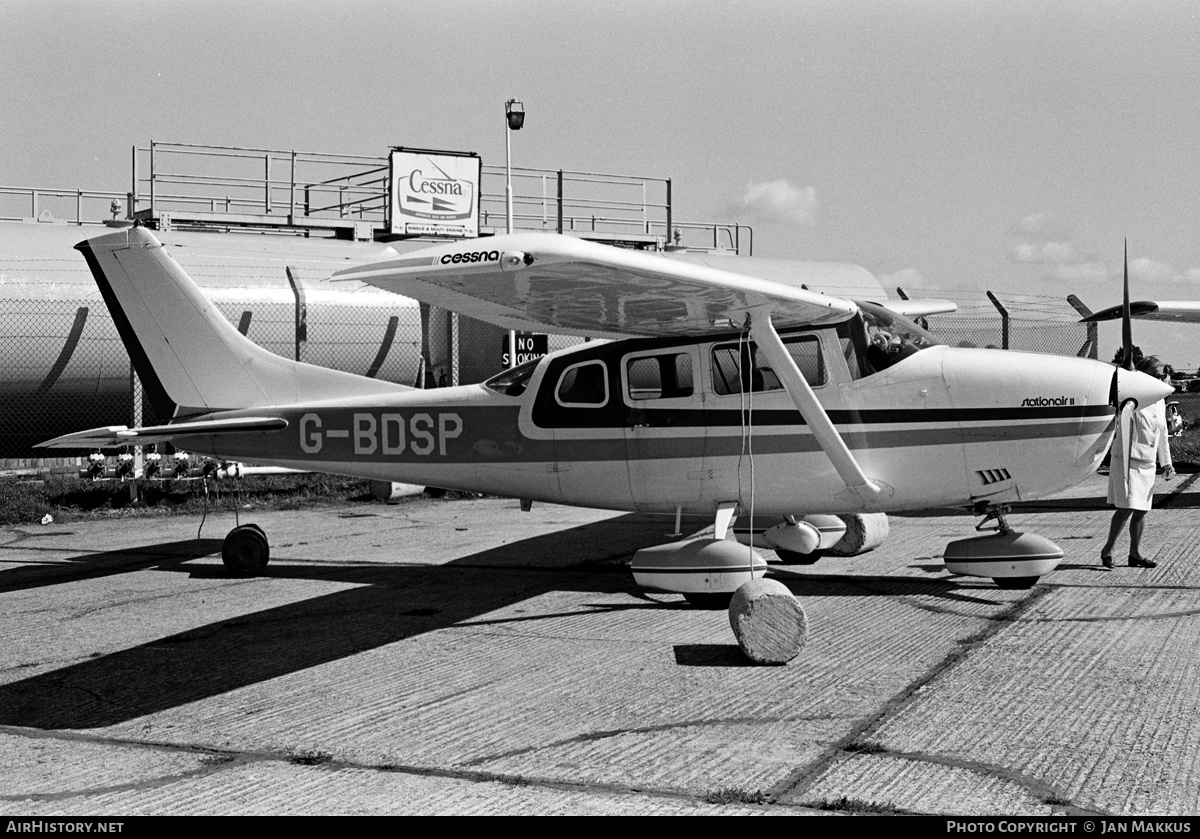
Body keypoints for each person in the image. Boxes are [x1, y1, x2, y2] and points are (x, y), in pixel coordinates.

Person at [1100, 356, 1175, 568]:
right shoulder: (1130, 396)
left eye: (1163, 375)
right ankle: (1108, 550)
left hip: (1148, 462)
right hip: (1127, 460)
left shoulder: (1159, 400)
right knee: (1126, 507)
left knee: (1142, 511)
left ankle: (1135, 554)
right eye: (1157, 375)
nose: (1162, 379)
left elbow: (1161, 432)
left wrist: (1167, 463)